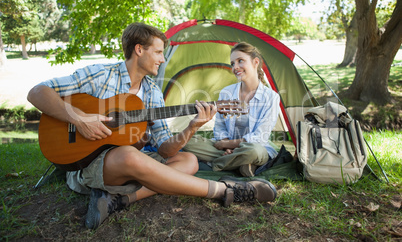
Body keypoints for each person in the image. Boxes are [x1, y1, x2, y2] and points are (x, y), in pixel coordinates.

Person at [27, 23, 277, 230]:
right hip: (90, 165)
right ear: (139, 50)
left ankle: (120, 200)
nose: (162, 58)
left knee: (188, 160)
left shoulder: (153, 93)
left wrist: (191, 127)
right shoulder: (100, 75)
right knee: (128, 154)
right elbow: (37, 92)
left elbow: (166, 149)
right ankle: (224, 190)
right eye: (158, 52)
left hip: (131, 163)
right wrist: (79, 118)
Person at [183, 42, 280, 177]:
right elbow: (219, 126)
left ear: (255, 62)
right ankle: (242, 165)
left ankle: (217, 165)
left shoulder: (271, 97)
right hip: (227, 147)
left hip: (254, 147)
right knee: (189, 143)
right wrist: (226, 145)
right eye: (232, 63)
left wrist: (228, 144)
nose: (235, 67)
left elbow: (260, 136)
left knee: (254, 152)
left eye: (240, 61)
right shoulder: (226, 92)